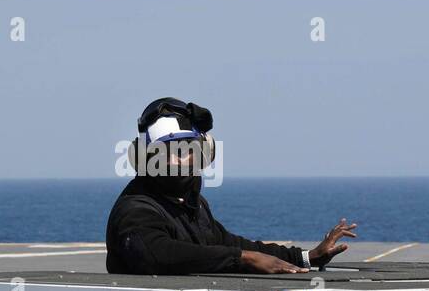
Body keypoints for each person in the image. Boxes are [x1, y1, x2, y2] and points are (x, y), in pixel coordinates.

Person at [106, 97, 357, 275]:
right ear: (143, 158)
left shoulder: (191, 204)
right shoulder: (136, 209)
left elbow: (226, 243)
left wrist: (306, 257)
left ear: (205, 152)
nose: (175, 160)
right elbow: (157, 253)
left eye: (185, 149)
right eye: (164, 152)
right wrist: (243, 260)